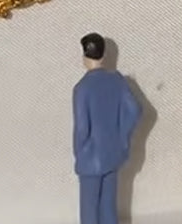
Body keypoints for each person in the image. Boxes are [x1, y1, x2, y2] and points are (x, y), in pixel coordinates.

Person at [73, 33, 142, 224]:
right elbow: (135, 110)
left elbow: (82, 129)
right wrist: (122, 137)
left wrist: (80, 152)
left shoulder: (82, 88)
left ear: (84, 57)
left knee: (89, 210)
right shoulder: (118, 81)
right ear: (104, 55)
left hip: (89, 158)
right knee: (108, 207)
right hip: (113, 154)